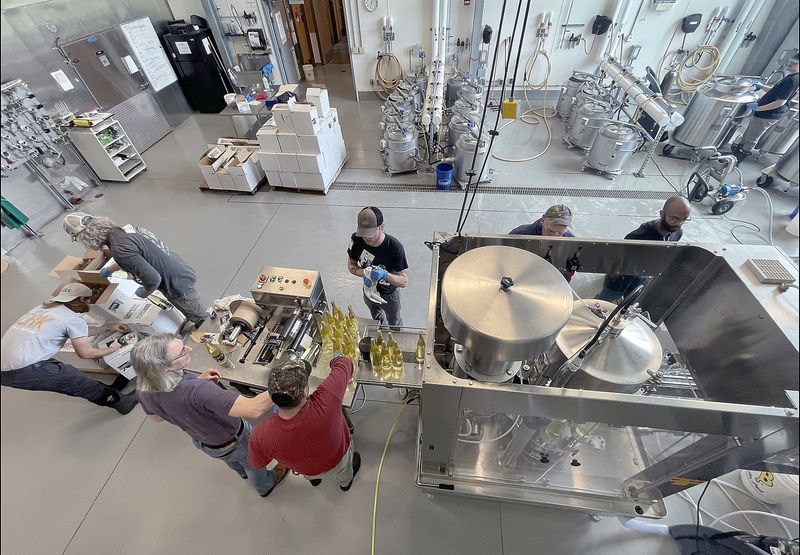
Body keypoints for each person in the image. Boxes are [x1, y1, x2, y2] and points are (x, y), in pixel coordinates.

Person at [131, 334, 288, 497]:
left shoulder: (144, 387)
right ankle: (265, 485)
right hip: (235, 439)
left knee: (233, 460)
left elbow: (156, 417)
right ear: (163, 367)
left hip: (205, 442)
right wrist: (286, 382)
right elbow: (255, 408)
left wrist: (196, 388)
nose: (189, 349)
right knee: (254, 464)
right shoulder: (197, 390)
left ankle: (242, 472)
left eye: (183, 345)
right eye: (181, 352)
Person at [1, 282, 138, 414]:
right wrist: (111, 349)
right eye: (88, 300)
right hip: (21, 370)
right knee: (77, 382)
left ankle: (109, 390)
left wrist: (107, 327)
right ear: (82, 299)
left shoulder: (43, 308)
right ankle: (123, 403)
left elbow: (77, 331)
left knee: (67, 381)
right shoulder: (72, 319)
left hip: (8, 364)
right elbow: (85, 353)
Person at [63, 212, 209, 330]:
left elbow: (153, 279)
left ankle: (205, 327)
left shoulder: (120, 249)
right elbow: (133, 257)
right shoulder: (119, 234)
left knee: (200, 316)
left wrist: (144, 292)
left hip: (175, 284)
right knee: (190, 307)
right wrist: (110, 269)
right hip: (177, 269)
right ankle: (196, 317)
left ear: (87, 238)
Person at [249, 356, 361, 491]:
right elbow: (345, 363)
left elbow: (258, 462)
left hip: (307, 470)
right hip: (338, 459)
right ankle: (345, 484)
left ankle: (315, 480)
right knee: (344, 471)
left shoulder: (260, 435)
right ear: (306, 391)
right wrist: (335, 357)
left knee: (312, 475)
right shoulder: (327, 400)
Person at [597, 196, 691, 302]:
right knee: (604, 300)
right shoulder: (639, 236)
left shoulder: (678, 233)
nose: (679, 224)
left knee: (631, 300)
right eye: (673, 219)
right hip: (620, 280)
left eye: (684, 219)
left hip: (641, 277)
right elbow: (618, 261)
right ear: (661, 214)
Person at [346, 207, 408, 328]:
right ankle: (381, 331)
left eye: (370, 235)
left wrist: (385, 275)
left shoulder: (395, 247)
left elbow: (404, 281)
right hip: (369, 290)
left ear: (382, 227)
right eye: (364, 234)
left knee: (394, 321)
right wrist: (364, 273)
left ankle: (394, 338)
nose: (367, 239)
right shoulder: (356, 239)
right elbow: (351, 265)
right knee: (377, 318)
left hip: (388, 294)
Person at [731, 54, 799, 164]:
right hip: (765, 113)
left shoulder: (792, 80)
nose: (789, 64)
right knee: (747, 136)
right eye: (790, 61)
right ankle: (732, 158)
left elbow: (780, 102)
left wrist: (759, 108)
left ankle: (734, 163)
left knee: (750, 139)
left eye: (794, 63)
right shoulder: (791, 76)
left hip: (768, 115)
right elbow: (776, 93)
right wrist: (762, 86)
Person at [509, 204, 576, 237]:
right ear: (542, 220)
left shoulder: (571, 240)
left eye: (560, 233)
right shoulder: (520, 234)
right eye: (550, 231)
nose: (554, 236)